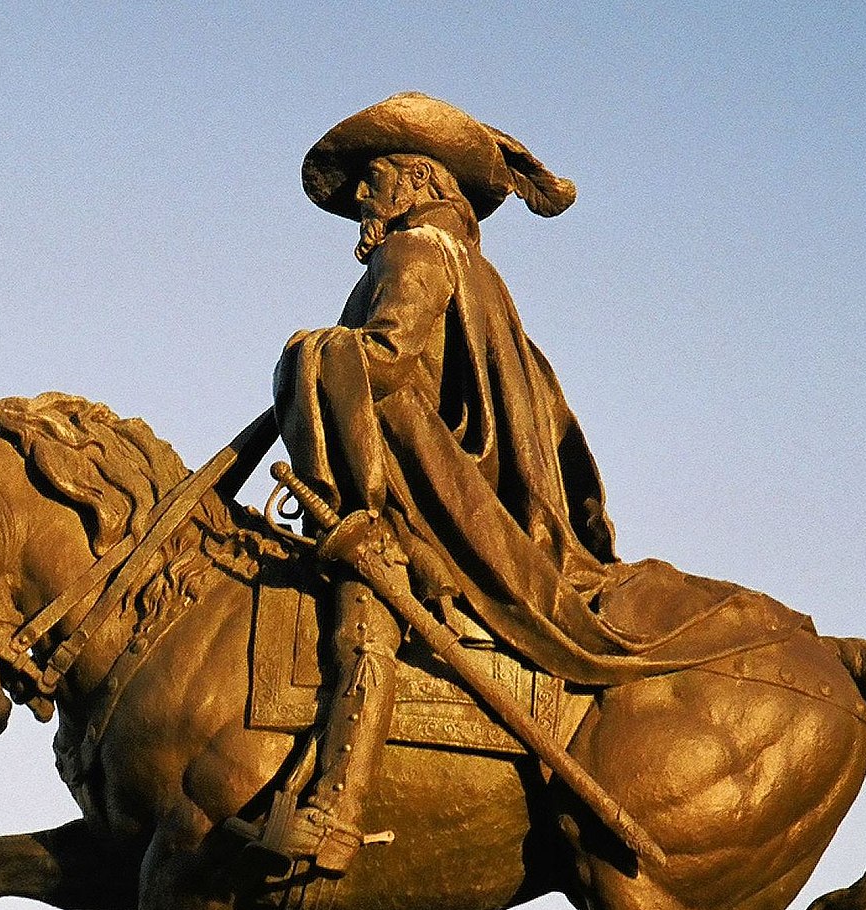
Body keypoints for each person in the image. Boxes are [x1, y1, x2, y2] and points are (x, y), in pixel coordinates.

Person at [270, 93, 771, 870]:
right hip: (436, 485)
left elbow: (389, 362)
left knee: (362, 607)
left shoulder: (416, 253)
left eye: (375, 177)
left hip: (423, 502)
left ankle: (336, 808)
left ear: (416, 180)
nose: (362, 195)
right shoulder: (467, 264)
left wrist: (309, 352)